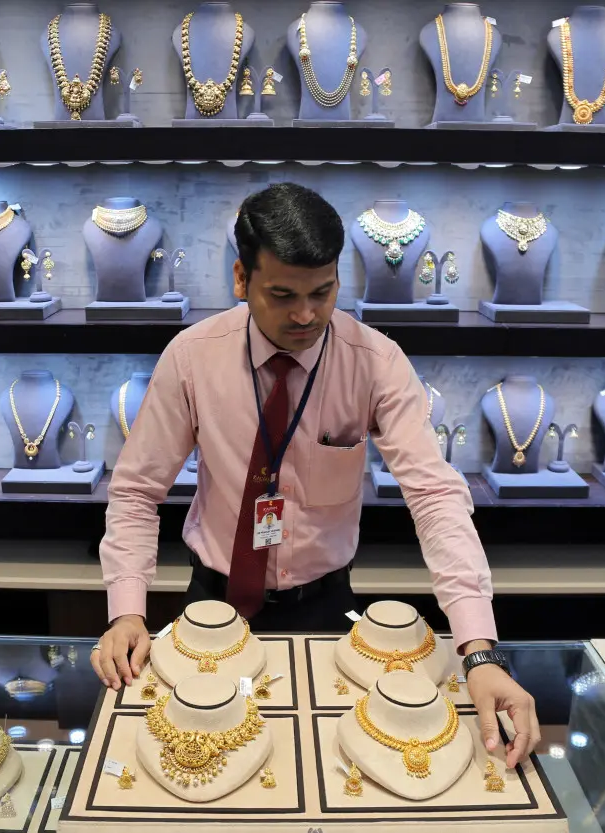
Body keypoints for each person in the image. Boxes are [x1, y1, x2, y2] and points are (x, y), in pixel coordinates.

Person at [91, 183, 540, 767]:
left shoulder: (375, 362)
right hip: (211, 602)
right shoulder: (192, 357)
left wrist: (479, 651)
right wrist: (127, 609)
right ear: (240, 280)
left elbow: (434, 497)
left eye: (323, 293)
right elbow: (135, 490)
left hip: (328, 608)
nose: (306, 315)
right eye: (282, 295)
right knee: (199, 763)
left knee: (330, 768)